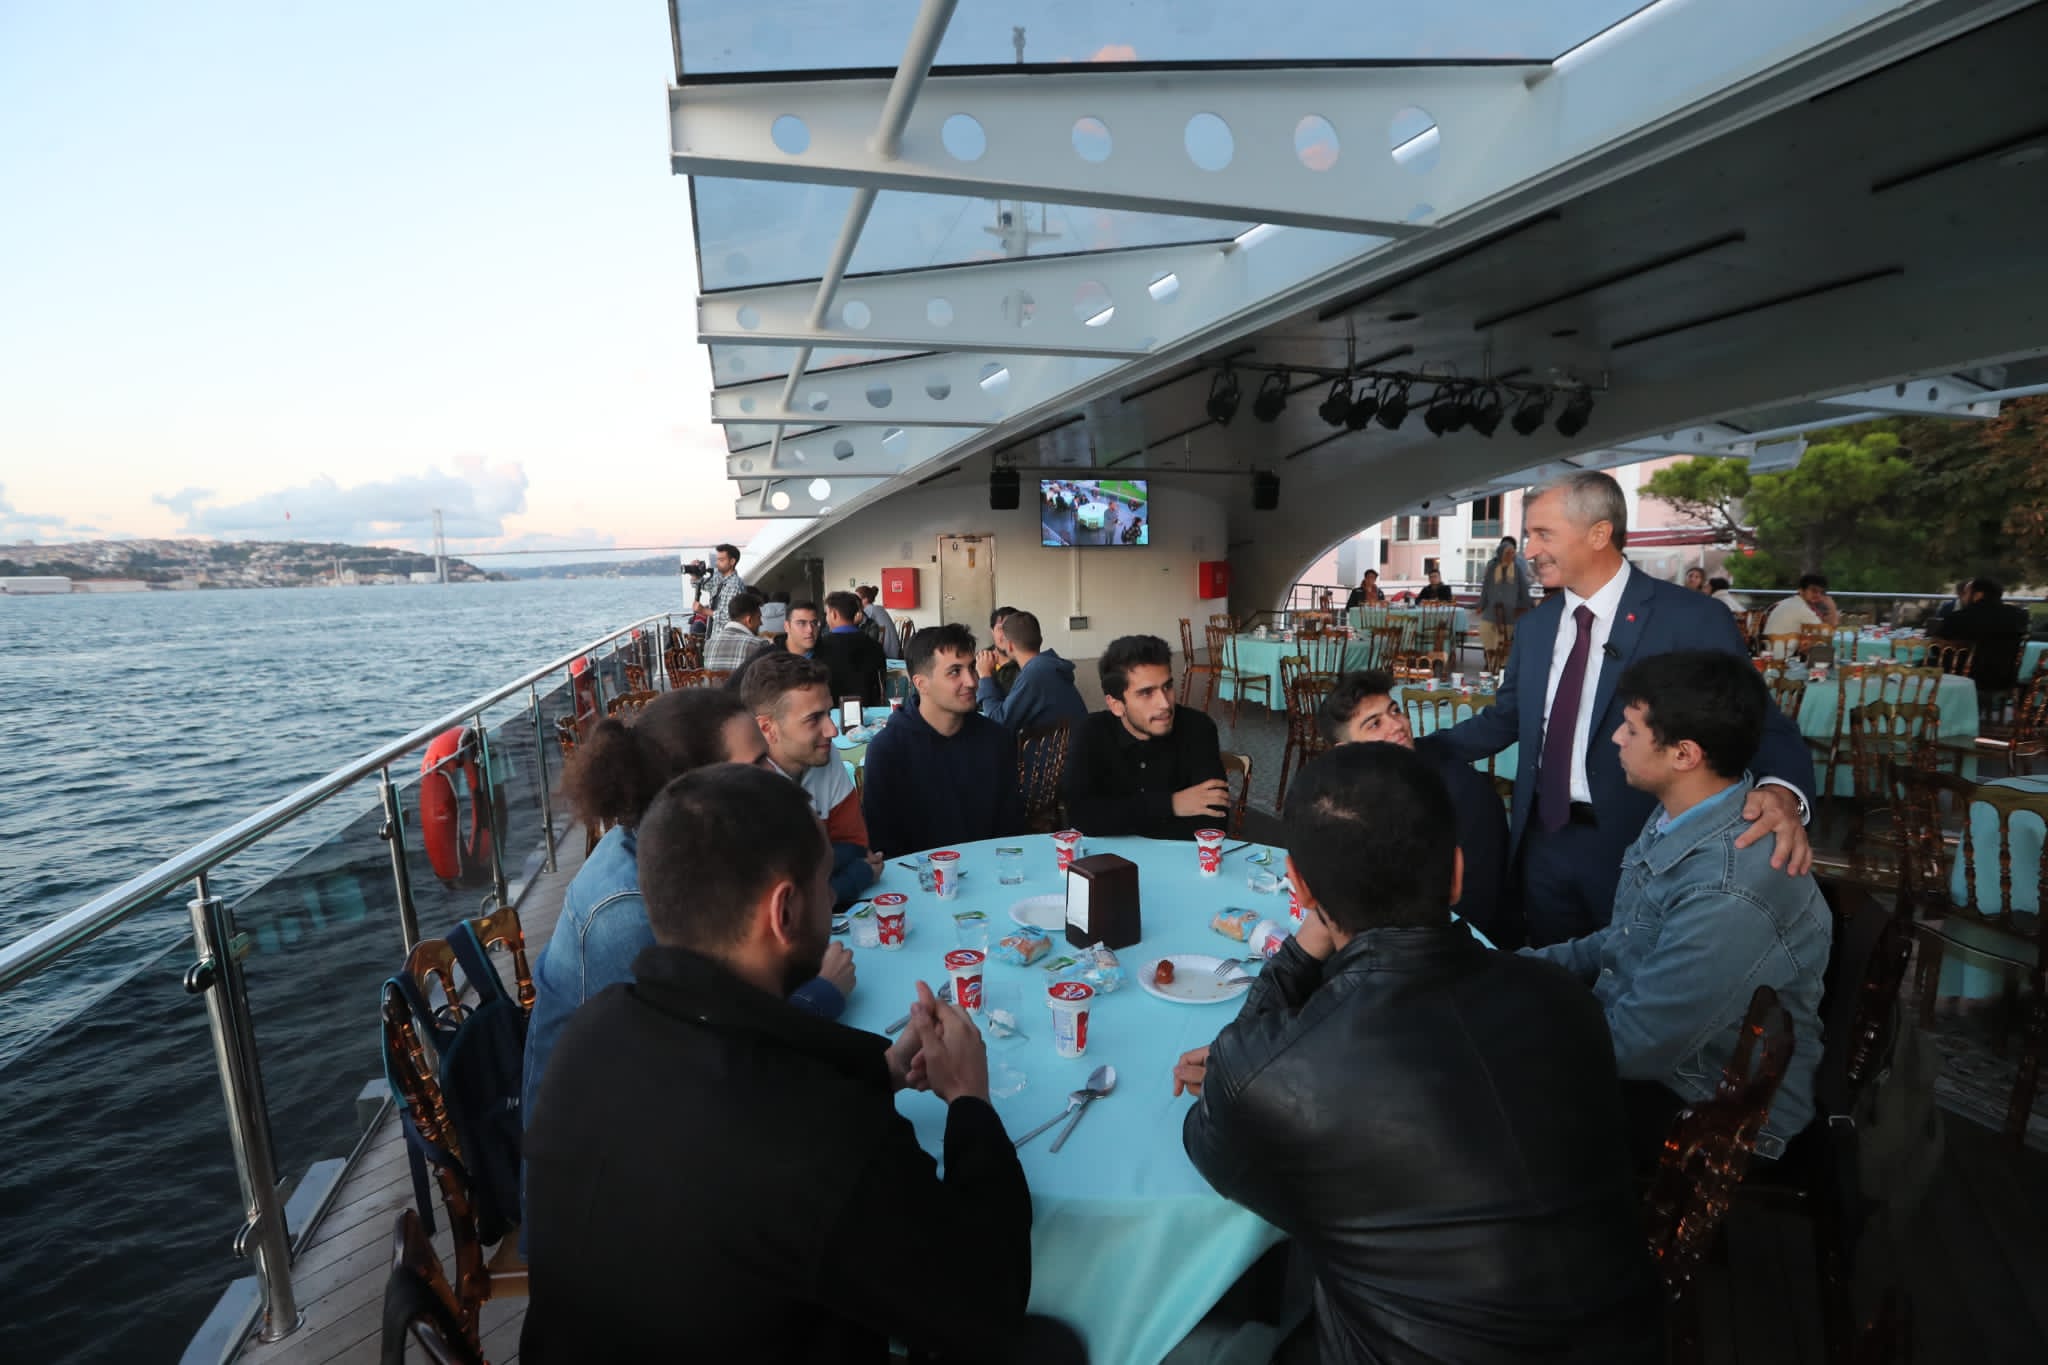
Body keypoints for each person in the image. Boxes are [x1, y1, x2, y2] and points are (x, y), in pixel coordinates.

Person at [522, 764, 1073, 1364]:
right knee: (1052, 1347)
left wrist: (881, 1069)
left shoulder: (595, 1028)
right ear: (784, 911)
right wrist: (970, 1101)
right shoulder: (819, 1135)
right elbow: (986, 1300)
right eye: (823, 884)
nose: (834, 896)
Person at [1176, 744, 1662, 1364]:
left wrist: (1298, 954)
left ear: (1297, 886)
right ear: (1456, 874)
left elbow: (1212, 1141)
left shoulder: (1273, 1071)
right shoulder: (1567, 1000)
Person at [1417, 471, 1815, 949]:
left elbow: (1761, 723)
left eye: (1543, 534)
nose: (1528, 549)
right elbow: (1506, 718)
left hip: (1643, 847)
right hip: (1543, 844)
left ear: (1598, 534)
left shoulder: (1690, 619)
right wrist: (1411, 748)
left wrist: (1782, 793)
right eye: (1529, 535)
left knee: (1631, 992)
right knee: (1557, 990)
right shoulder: (1537, 627)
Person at [1528, 651, 1831, 1166]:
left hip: (1709, 1105)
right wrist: (1515, 968)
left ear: (1684, 754)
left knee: (1494, 1108)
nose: (1616, 739)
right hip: (1668, 1058)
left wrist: (1510, 1029)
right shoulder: (1690, 812)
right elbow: (1624, 940)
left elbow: (1637, 1047)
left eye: (1630, 729)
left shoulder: (1728, 887)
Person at [521, 690, 856, 1144]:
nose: (775, 774)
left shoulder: (688, 852)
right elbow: (704, 1064)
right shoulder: (628, 908)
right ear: (696, 785)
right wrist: (817, 999)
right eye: (757, 763)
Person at [1318, 670, 1510, 944]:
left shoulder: (1460, 793)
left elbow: (1477, 903)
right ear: (1344, 751)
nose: (1396, 725)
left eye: (1395, 711)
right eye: (1374, 724)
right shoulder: (1349, 792)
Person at [861, 624, 1025, 856]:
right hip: (915, 880)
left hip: (990, 873)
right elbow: (881, 844)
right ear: (921, 684)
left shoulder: (996, 739)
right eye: (955, 672)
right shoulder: (888, 750)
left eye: (972, 668)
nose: (971, 681)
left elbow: (1011, 828)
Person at [746, 651, 883, 907]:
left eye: (829, 712)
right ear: (767, 728)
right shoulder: (744, 785)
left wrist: (807, 873)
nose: (832, 730)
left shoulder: (824, 754)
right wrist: (858, 876)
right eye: (813, 719)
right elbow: (777, 903)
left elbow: (855, 845)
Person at [1063, 634, 1228, 840]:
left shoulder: (1198, 728)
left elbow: (1214, 819)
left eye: (1167, 686)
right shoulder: (1091, 732)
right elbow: (1082, 817)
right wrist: (1172, 804)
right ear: (1116, 705)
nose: (1165, 704)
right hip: (1110, 863)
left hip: (1180, 863)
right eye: (1146, 693)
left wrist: (1121, 816)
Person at [975, 610, 1086, 734]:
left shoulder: (1035, 673)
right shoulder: (1049, 665)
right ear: (1040, 640)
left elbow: (999, 722)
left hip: (1052, 751)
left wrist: (985, 675)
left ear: (1010, 645)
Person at [1930, 575, 2031, 692]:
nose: (1963, 597)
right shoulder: (2019, 615)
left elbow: (1937, 648)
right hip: (2004, 678)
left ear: (1978, 595)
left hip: (1965, 679)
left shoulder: (1959, 617)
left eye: (1966, 593)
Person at [725, 598, 823, 692]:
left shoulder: (829, 653)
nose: (810, 630)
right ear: (787, 626)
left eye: (814, 623)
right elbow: (731, 688)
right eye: (801, 623)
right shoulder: (766, 657)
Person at [814, 590, 887, 706]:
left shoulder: (821, 647)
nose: (826, 618)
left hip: (831, 710)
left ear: (833, 614)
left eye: (826, 613)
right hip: (868, 709)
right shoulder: (874, 645)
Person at [1476, 536, 1529, 656]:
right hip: (1491, 611)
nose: (1509, 554)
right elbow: (1486, 588)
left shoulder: (1519, 565)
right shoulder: (1492, 565)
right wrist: (1481, 605)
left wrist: (1524, 607)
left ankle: (1502, 667)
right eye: (1505, 550)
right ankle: (1491, 661)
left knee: (1506, 643)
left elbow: (1523, 589)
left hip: (1511, 612)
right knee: (1487, 633)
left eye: (1511, 551)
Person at [702, 589, 772, 671]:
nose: (761, 623)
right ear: (749, 620)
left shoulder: (709, 643)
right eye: (759, 618)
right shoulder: (758, 645)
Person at [1763, 572, 1839, 638]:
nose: (1819, 595)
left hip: (1769, 650)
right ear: (1801, 590)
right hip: (1783, 652)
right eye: (1814, 590)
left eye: (1822, 592)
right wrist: (1832, 607)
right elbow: (1828, 636)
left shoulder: (1790, 602)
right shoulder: (1802, 609)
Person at [696, 542, 747, 635]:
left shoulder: (735, 585)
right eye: (717, 559)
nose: (717, 563)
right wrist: (694, 573)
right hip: (715, 636)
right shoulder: (719, 579)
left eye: (721, 560)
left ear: (732, 562)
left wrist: (704, 611)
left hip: (727, 638)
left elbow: (730, 617)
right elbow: (701, 584)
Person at [855, 584, 903, 658]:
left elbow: (857, 624)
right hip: (895, 649)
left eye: (857, 599)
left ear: (865, 600)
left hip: (888, 653)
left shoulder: (869, 609)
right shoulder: (878, 608)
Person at [986, 605, 1021, 695]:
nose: (1006, 634)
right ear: (992, 631)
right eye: (1001, 628)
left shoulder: (1026, 662)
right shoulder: (979, 661)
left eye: (1012, 628)